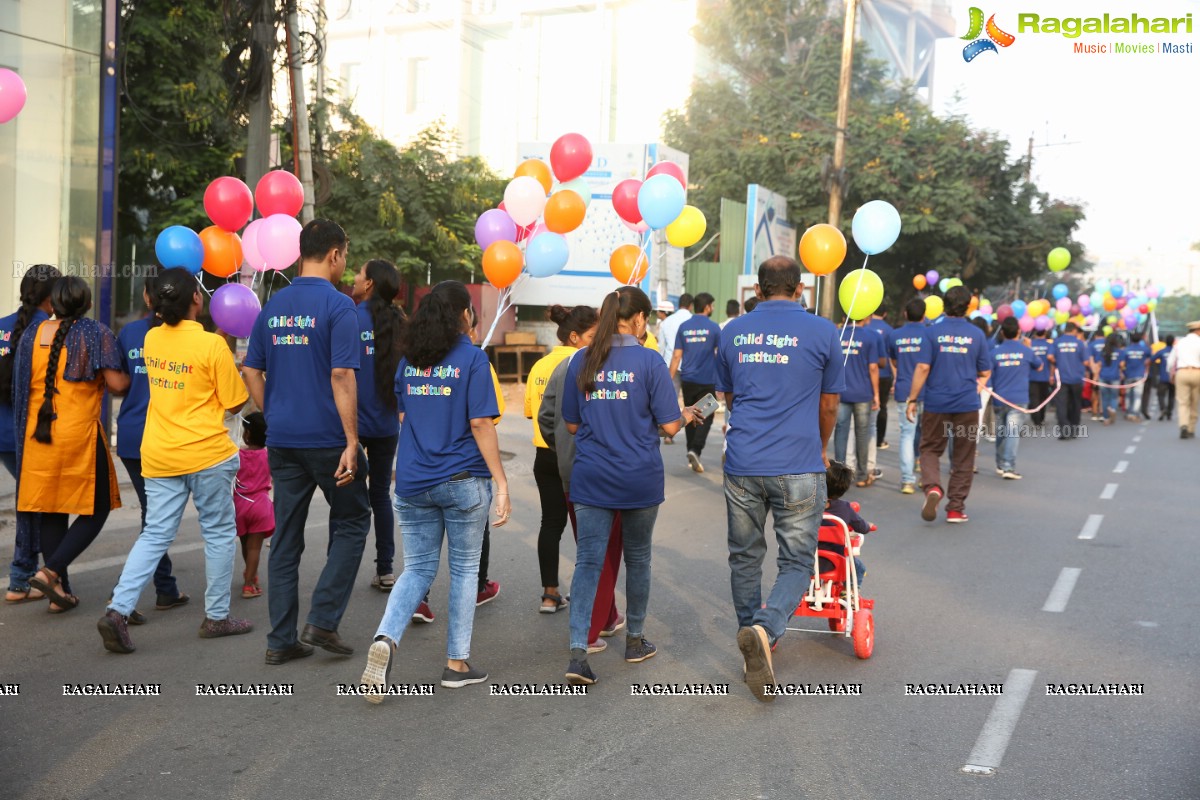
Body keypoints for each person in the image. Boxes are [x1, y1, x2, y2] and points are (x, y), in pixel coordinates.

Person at [358, 281, 510, 702]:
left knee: (418, 569)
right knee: (463, 572)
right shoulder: (473, 360)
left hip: (412, 481)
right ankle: (456, 664)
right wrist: (501, 481)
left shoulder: (409, 362)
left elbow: (407, 416)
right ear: (464, 314)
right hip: (463, 481)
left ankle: (386, 638)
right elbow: (481, 424)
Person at [99, 267, 253, 650]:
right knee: (217, 534)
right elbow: (235, 402)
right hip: (207, 455)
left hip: (160, 454)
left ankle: (118, 610)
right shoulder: (212, 346)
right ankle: (216, 617)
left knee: (154, 534)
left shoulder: (152, 339)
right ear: (197, 301)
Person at [242, 219, 372, 665]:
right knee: (354, 522)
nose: (345, 264)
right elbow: (341, 374)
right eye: (345, 256)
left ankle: (280, 642)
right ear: (334, 254)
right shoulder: (340, 307)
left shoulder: (273, 306)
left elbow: (251, 370)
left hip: (283, 441)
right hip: (330, 442)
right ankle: (322, 619)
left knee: (287, 540)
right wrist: (352, 440)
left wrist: (272, 413)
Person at [716, 256, 843, 702]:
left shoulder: (732, 330)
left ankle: (750, 634)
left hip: (744, 463)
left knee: (744, 558)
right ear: (800, 287)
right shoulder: (824, 331)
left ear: (758, 287)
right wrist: (821, 447)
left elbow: (729, 397)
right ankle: (765, 633)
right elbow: (829, 405)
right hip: (799, 463)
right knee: (796, 562)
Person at [560, 286, 695, 686]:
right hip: (639, 478)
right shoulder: (650, 362)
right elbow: (670, 425)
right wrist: (687, 413)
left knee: (588, 562)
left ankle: (577, 655)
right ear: (637, 319)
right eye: (647, 318)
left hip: (592, 478)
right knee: (638, 559)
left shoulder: (580, 361)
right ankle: (634, 641)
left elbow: (571, 424)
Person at [19, 277, 129, 611]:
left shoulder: (33, 334)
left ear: (52, 305)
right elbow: (116, 384)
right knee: (97, 509)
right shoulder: (95, 332)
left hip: (39, 437)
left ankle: (60, 592)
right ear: (88, 304)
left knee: (52, 510)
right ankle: (50, 571)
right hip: (78, 436)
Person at [538, 316, 627, 652]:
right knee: (603, 553)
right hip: (606, 473)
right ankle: (589, 631)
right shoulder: (612, 368)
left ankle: (606, 617)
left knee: (592, 550)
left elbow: (546, 418)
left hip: (570, 472)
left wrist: (562, 446)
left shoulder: (565, 366)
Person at [114, 273, 187, 618]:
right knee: (156, 520)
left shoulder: (129, 333)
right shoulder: (184, 336)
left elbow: (118, 383)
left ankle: (165, 588)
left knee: (153, 515)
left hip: (131, 435)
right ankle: (126, 600)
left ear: (147, 298)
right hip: (167, 437)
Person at [525, 304, 598, 613]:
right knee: (589, 530)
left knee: (551, 524)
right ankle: (593, 602)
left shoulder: (540, 365)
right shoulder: (583, 365)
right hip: (577, 456)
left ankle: (549, 593)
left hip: (545, 454)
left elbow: (533, 412)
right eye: (593, 336)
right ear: (574, 336)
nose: (597, 342)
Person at [905, 286, 992, 524]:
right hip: (966, 403)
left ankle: (933, 488)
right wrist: (974, 386)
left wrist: (912, 399)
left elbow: (923, 367)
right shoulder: (977, 334)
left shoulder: (932, 332)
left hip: (936, 403)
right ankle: (955, 508)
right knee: (963, 457)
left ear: (943, 305)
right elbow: (985, 371)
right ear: (968, 307)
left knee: (930, 449)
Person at [1, 264, 59, 604]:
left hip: (4, 434)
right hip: (27, 435)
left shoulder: (1, 327)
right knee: (35, 504)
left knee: (30, 501)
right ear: (52, 297)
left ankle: (28, 576)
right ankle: (24, 577)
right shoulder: (48, 332)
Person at [348, 259, 405, 592]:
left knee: (346, 498)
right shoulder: (400, 323)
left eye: (359, 273)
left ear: (369, 284)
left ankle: (336, 565)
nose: (354, 277)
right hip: (386, 426)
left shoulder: (350, 318)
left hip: (351, 426)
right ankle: (386, 570)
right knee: (381, 495)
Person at [669, 291, 720, 473]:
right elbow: (719, 356)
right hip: (707, 379)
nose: (712, 308)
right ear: (706, 307)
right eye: (712, 305)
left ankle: (691, 450)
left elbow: (676, 356)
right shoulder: (714, 328)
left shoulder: (684, 327)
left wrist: (668, 380)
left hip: (688, 379)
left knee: (690, 414)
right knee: (707, 415)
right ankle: (695, 449)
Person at [989, 317, 1043, 479]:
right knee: (1012, 432)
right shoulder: (1026, 351)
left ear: (1003, 333)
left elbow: (987, 374)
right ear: (1019, 332)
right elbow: (1039, 366)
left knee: (1001, 431)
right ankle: (1008, 467)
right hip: (1018, 399)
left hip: (999, 398)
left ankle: (1000, 464)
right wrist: (1029, 348)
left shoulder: (994, 352)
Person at [888, 298, 930, 494]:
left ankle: (907, 481)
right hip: (928, 391)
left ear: (905, 314)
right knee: (927, 436)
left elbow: (894, 362)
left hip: (905, 390)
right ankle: (926, 477)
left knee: (907, 434)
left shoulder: (895, 335)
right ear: (924, 315)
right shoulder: (931, 334)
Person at [833, 317, 880, 487]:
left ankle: (838, 476)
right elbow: (873, 367)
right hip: (863, 393)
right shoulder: (871, 336)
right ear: (866, 316)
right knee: (862, 433)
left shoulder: (838, 334)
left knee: (841, 432)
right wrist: (876, 394)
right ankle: (861, 475)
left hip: (841, 391)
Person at [234, 412, 273, 598]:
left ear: (247, 434)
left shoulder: (236, 455)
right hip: (260, 505)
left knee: (245, 543)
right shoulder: (269, 455)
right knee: (255, 548)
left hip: (239, 505)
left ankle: (251, 575)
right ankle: (249, 584)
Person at [818, 461, 870, 584]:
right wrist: (869, 526)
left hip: (806, 561)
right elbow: (863, 528)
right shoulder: (845, 508)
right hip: (834, 562)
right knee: (859, 568)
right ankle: (849, 591)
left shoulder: (808, 506)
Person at [1050, 322, 1092, 439]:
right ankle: (1074, 429)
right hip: (1077, 378)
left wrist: (1058, 361)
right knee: (1076, 404)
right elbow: (1086, 362)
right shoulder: (1080, 343)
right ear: (1074, 330)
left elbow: (1049, 356)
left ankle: (1064, 429)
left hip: (1062, 379)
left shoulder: (1057, 342)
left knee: (1061, 404)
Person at [866, 309, 894, 449]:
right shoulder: (889, 330)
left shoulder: (865, 326)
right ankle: (879, 440)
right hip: (884, 374)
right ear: (884, 313)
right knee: (882, 407)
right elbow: (890, 354)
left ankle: (865, 438)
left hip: (866, 374)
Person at [1167, 320, 1200, 438]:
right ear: (1198, 330)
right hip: (1197, 372)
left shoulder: (1180, 343)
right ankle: (1191, 428)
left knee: (1182, 402)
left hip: (1182, 372)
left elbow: (1170, 362)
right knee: (1194, 402)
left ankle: (1183, 425)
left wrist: (1171, 375)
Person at [1119, 332, 1151, 422]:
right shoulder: (1145, 349)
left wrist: (1122, 371)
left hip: (1128, 375)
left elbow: (1122, 363)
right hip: (1140, 375)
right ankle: (1135, 413)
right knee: (1137, 395)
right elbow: (1150, 359)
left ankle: (1128, 413)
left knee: (1128, 395)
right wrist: (1146, 367)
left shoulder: (1126, 350)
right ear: (1140, 339)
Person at [1027, 327, 1055, 427]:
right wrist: (1052, 375)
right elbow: (1051, 362)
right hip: (1045, 376)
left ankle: (1036, 420)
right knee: (1043, 398)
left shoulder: (1029, 344)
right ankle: (1041, 418)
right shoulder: (1049, 345)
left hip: (1031, 376)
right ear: (1045, 332)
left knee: (1034, 398)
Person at [1097, 333, 1124, 425]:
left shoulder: (1103, 352)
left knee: (1104, 398)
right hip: (1115, 376)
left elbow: (1099, 365)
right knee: (1113, 397)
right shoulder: (1119, 352)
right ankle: (1112, 409)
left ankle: (1106, 418)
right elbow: (1122, 365)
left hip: (1103, 376)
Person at [1152, 335, 1175, 420]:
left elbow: (1152, 359)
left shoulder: (1161, 351)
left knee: (1160, 395)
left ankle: (1163, 409)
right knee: (1171, 396)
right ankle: (1169, 413)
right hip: (1173, 378)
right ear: (1173, 341)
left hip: (1163, 377)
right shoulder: (1176, 351)